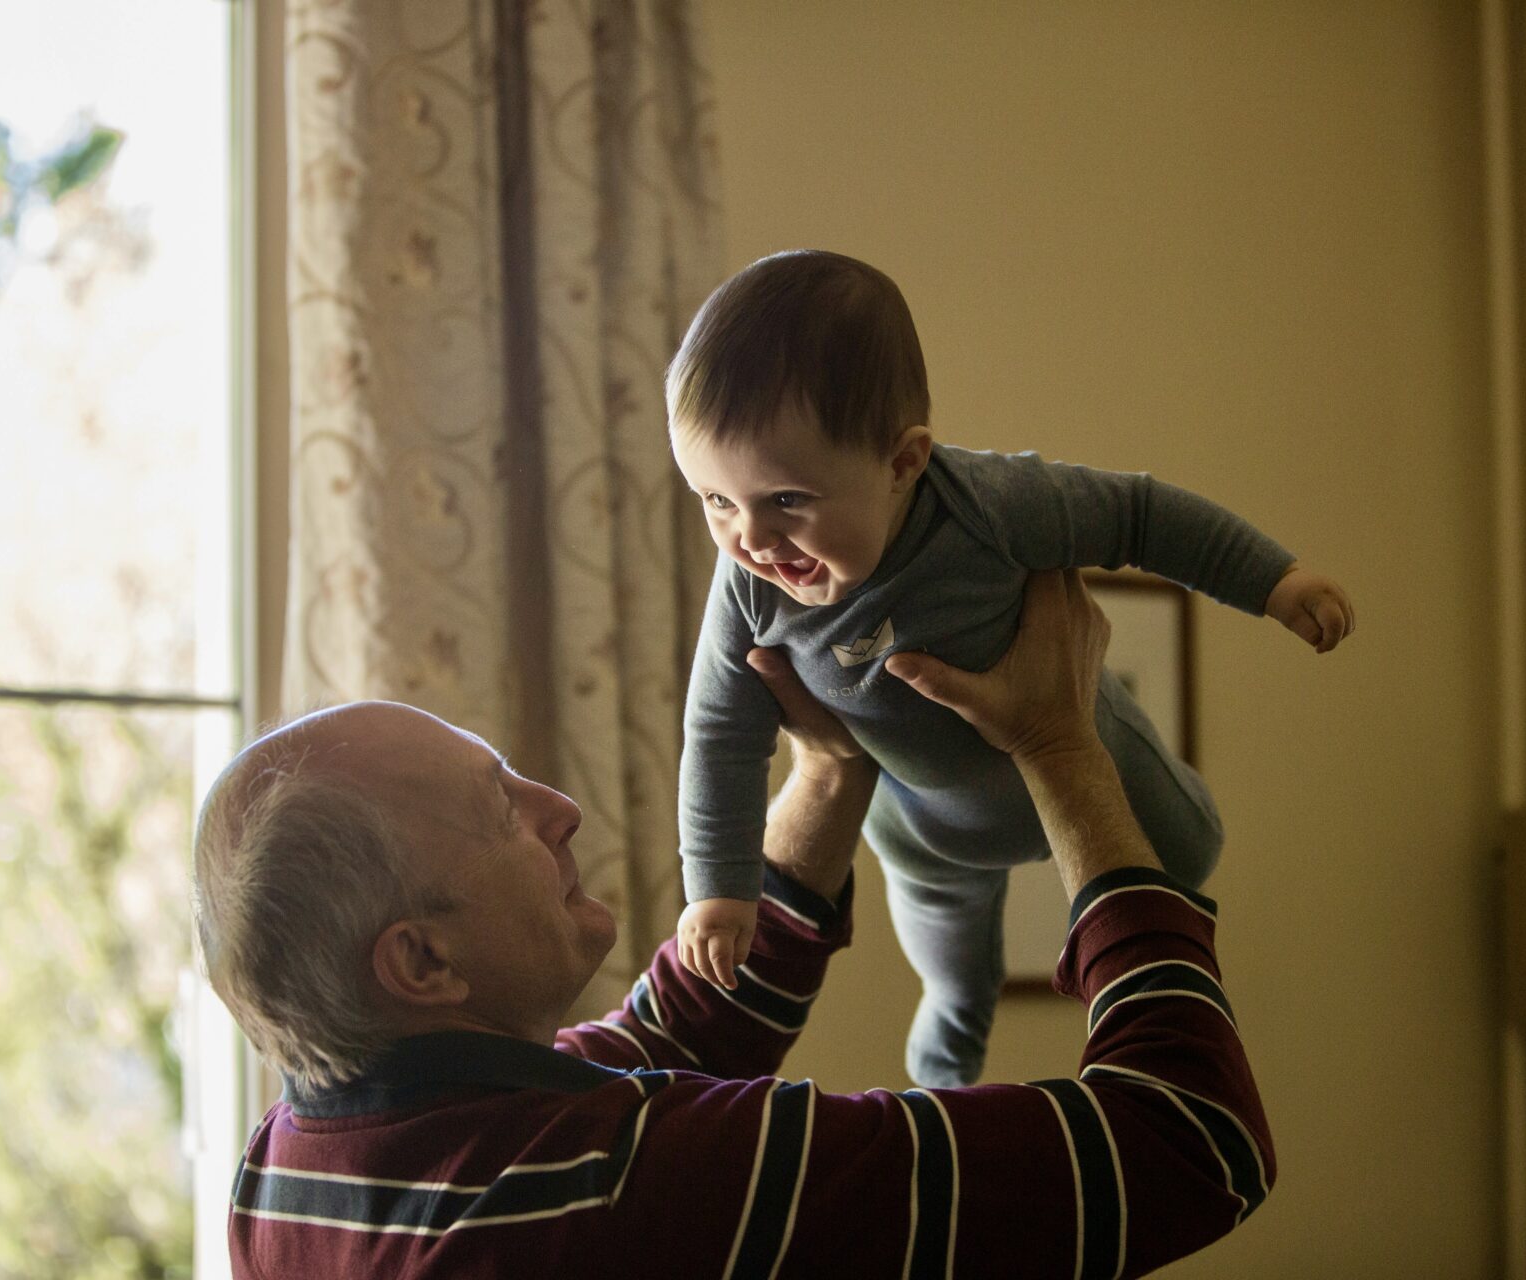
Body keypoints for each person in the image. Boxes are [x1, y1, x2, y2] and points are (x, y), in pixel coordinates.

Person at [193, 570, 1276, 1279]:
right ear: (422, 960)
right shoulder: (630, 1187)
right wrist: (1060, 745)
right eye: (499, 808)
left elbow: (678, 1028)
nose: (558, 808)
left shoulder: (288, 1169)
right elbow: (1189, 1139)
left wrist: (832, 763)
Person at [670, 248, 1355, 1085]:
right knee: (956, 979)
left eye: (786, 500)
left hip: (1086, 749)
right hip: (927, 831)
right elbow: (718, 735)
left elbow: (1140, 515)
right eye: (714, 500)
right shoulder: (747, 588)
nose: (751, 539)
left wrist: (1274, 580)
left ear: (902, 463)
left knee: (1192, 851)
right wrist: (719, 888)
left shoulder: (990, 506)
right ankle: (944, 1081)